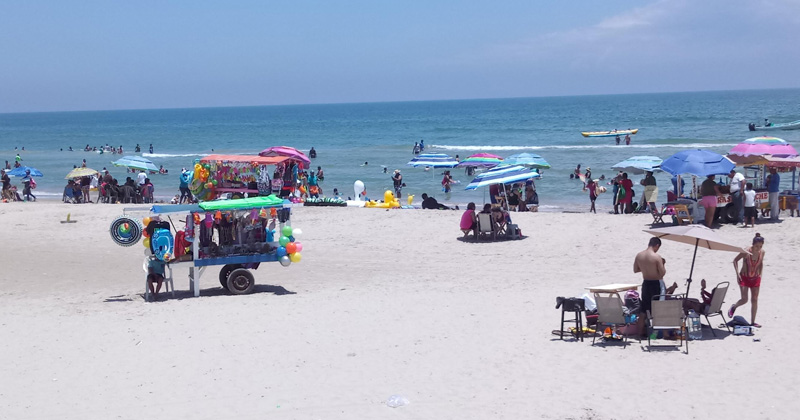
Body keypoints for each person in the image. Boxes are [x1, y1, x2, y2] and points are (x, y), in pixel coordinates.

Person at [730, 233, 766, 327]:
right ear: (753, 244)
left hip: (755, 278)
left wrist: (760, 275)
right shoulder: (746, 251)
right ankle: (734, 306)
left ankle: (753, 322)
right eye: (756, 246)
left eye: (760, 246)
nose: (758, 248)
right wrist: (737, 274)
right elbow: (735, 260)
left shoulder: (762, 252)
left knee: (754, 299)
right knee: (744, 299)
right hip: (744, 277)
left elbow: (761, 263)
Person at [634, 237, 666, 336]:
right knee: (658, 309)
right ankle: (658, 335)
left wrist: (645, 268)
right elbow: (662, 273)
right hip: (655, 284)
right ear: (657, 245)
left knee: (644, 310)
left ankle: (640, 333)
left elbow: (635, 269)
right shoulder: (656, 257)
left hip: (645, 283)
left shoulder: (639, 255)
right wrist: (663, 264)